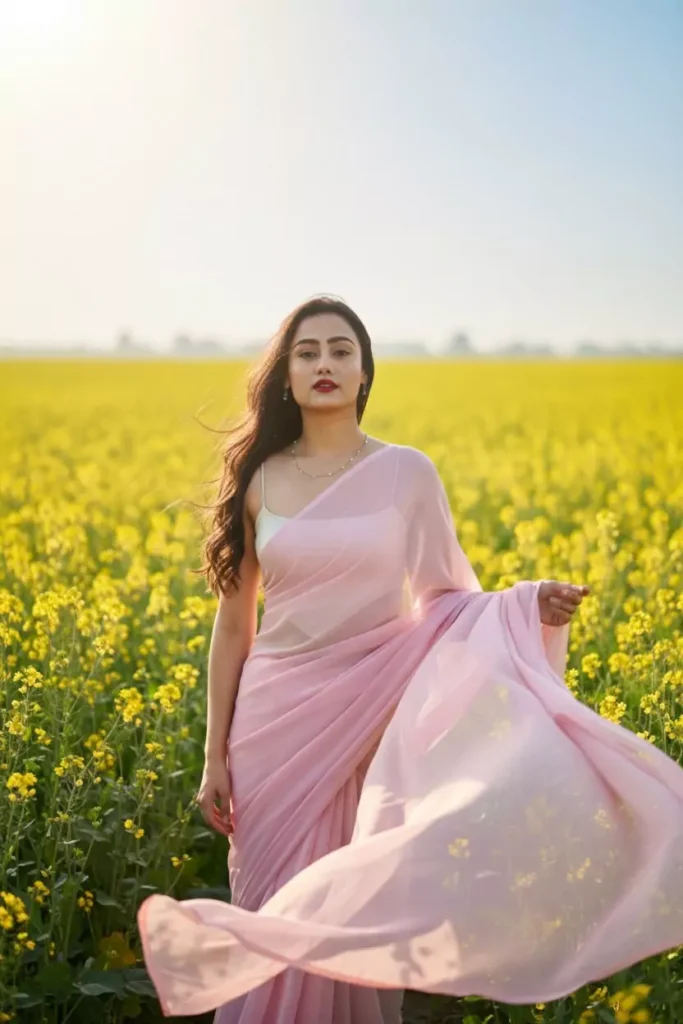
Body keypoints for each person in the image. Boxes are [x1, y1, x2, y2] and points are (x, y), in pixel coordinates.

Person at [137, 295, 683, 1023]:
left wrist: (523, 603)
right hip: (272, 723)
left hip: (366, 717)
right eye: (307, 352)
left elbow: (448, 599)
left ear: (364, 372)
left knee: (346, 910)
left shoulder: (407, 473)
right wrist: (214, 755)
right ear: (285, 375)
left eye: (340, 350)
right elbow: (233, 625)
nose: (324, 364)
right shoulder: (260, 479)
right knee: (272, 900)